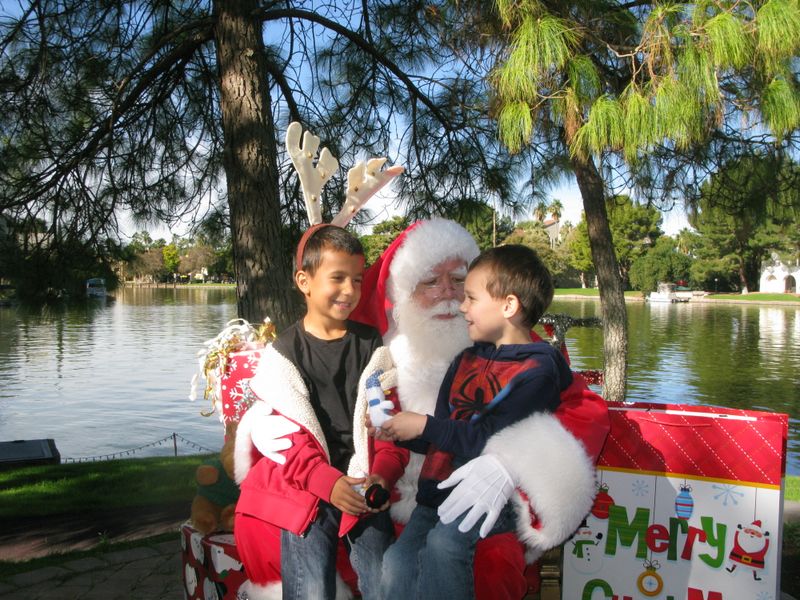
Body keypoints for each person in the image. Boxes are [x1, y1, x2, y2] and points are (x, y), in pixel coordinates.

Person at [245, 218, 610, 599]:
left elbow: (586, 412)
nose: (449, 296)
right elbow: (306, 405)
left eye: (459, 281)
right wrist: (256, 423)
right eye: (430, 283)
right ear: (402, 293)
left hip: (474, 500)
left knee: (482, 559)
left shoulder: (519, 347)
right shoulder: (382, 345)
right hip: (403, 494)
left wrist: (509, 463)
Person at [376, 244, 573, 599]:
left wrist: (422, 425)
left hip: (487, 496)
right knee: (397, 562)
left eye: (470, 297)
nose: (462, 306)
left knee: (443, 547)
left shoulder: (539, 370)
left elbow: (491, 439)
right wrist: (395, 430)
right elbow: (442, 431)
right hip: (436, 494)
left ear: (508, 306)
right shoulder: (464, 359)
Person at [232, 224, 408, 600]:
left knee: (384, 581)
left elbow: (386, 425)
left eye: (357, 280)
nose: (349, 291)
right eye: (338, 278)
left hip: (363, 484)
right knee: (311, 586)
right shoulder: (283, 356)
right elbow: (289, 443)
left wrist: (382, 474)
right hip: (309, 487)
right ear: (304, 280)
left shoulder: (372, 350)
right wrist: (327, 483)